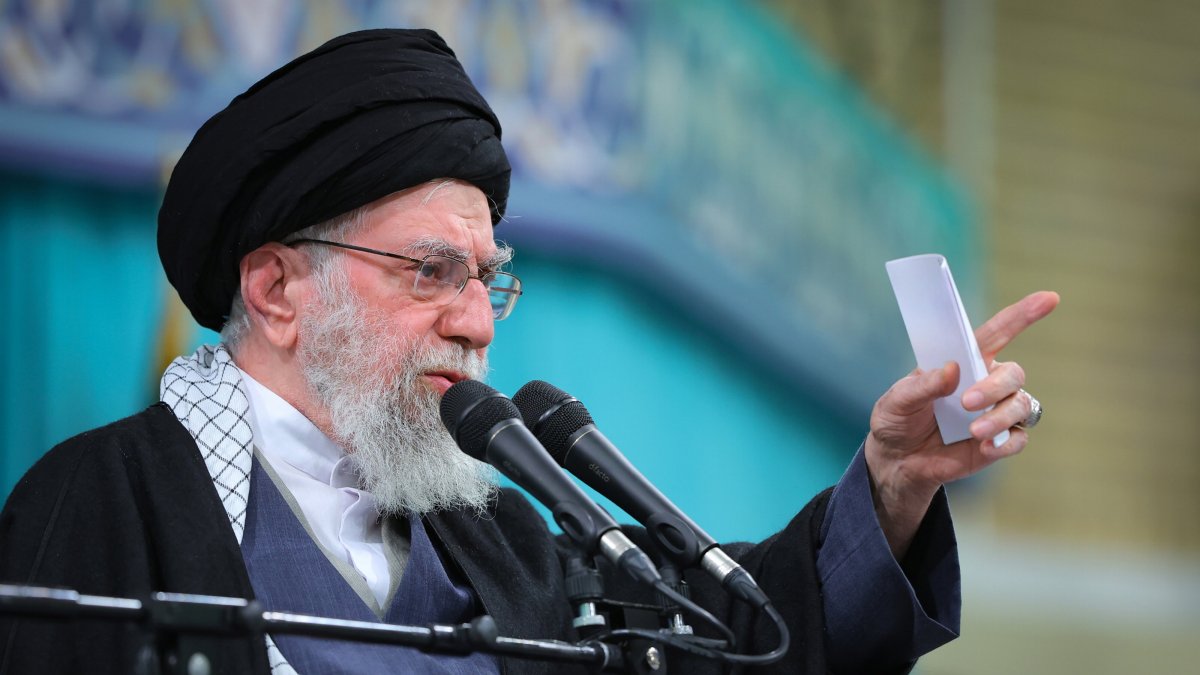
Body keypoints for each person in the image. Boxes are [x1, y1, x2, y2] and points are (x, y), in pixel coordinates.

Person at [0, 29, 1058, 675]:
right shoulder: (98, 506)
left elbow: (732, 638)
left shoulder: (496, 535)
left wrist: (893, 485)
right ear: (277, 290)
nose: (478, 320)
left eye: (487, 276)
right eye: (430, 272)